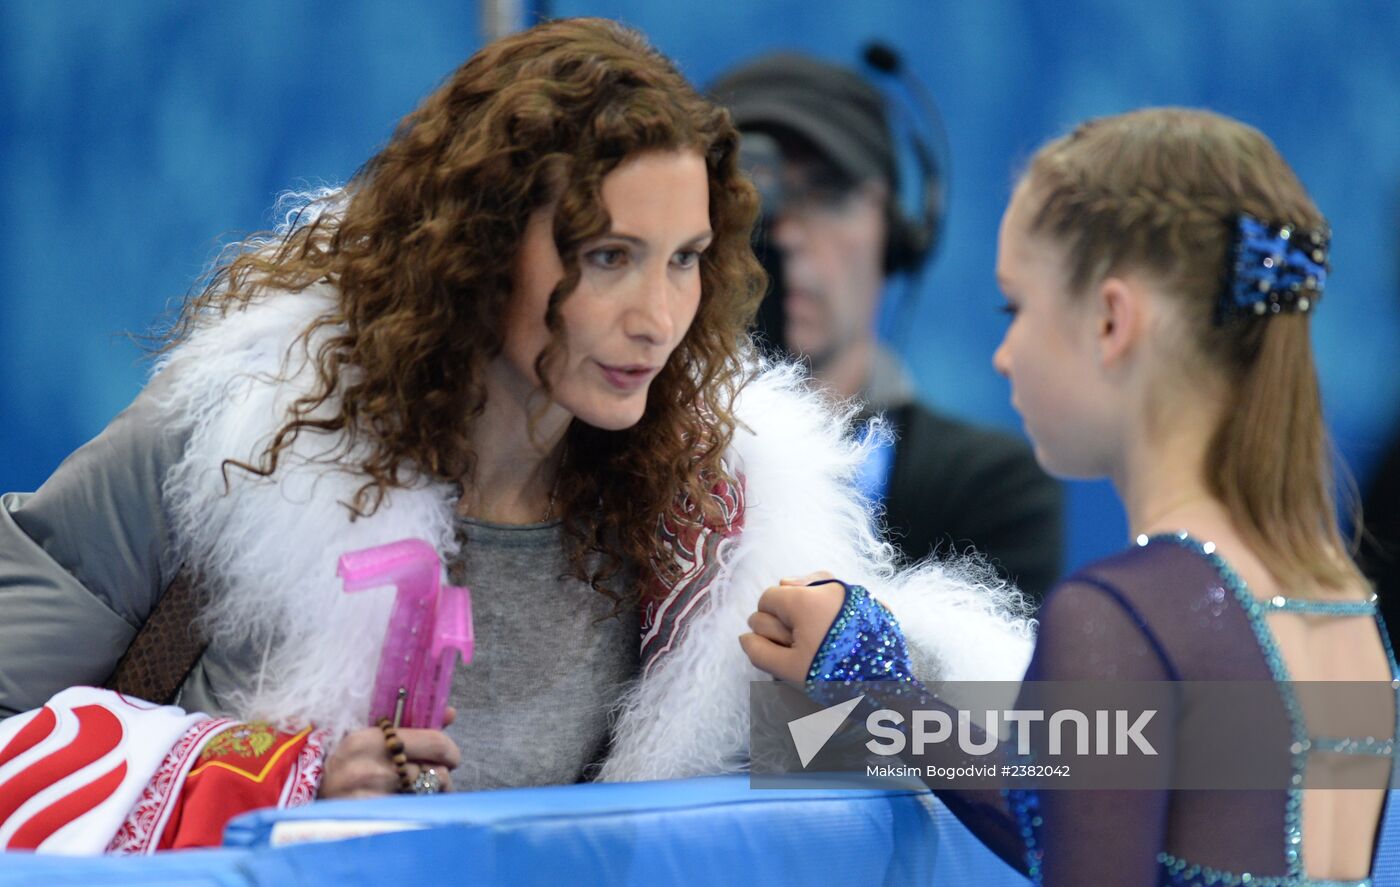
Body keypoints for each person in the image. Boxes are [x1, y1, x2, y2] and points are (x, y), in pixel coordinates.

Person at [0, 19, 1033, 854]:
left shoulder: (713, 520)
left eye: (683, 259)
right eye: (606, 254)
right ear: (477, 252)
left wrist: (885, 685)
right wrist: (257, 780)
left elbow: (1088, 764)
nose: (655, 318)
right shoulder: (239, 434)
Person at [741, 107, 1398, 884]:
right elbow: (1090, 828)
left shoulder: (1122, 617)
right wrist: (880, 701)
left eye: (1014, 308)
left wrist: (874, 693)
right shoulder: (1344, 607)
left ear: (1113, 320)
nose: (1003, 353)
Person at [710, 53, 1064, 601]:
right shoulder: (630, 465)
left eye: (826, 196)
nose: (785, 235)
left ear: (896, 235)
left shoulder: (989, 488)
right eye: (748, 199)